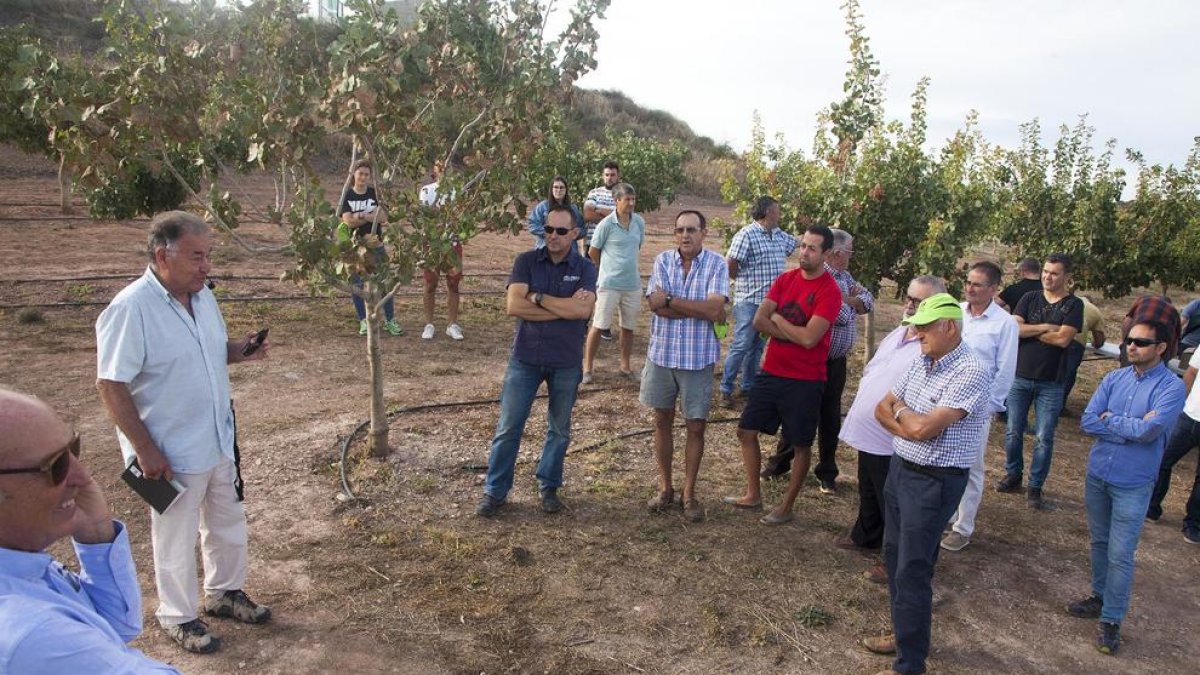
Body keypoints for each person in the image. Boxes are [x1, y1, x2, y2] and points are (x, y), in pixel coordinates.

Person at [96, 211, 273, 654]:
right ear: (163, 255)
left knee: (227, 520)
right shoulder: (130, 309)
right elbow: (110, 383)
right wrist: (144, 449)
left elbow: (213, 352)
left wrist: (240, 351)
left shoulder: (202, 297)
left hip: (215, 437)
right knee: (174, 533)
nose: (206, 266)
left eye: (208, 256)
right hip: (168, 451)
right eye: (197, 256)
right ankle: (177, 615)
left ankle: (224, 592)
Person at [0, 389, 181, 673]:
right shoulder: (34, 637)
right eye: (55, 465)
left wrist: (97, 534)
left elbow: (116, 624)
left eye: (74, 449)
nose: (83, 476)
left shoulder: (18, 564)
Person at [860, 294, 992, 675]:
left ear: (948, 326)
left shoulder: (970, 370)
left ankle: (910, 663)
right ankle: (904, 634)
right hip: (902, 470)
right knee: (894, 557)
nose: (916, 333)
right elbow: (881, 409)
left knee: (912, 569)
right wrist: (907, 420)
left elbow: (921, 427)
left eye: (924, 326)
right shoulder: (922, 361)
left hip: (935, 482)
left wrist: (904, 417)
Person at [1067, 320, 1186, 655]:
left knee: (1120, 554)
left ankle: (1111, 619)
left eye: (1141, 342)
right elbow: (1088, 420)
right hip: (1098, 474)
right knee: (1100, 542)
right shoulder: (1113, 378)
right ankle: (1099, 596)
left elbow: (1151, 432)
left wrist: (1111, 421)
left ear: (1161, 348)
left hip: (1133, 483)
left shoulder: (1171, 388)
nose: (1131, 346)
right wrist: (1129, 425)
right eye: (1129, 340)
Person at [475, 206, 597, 517]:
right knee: (508, 427)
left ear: (574, 234)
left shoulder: (585, 268)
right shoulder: (525, 261)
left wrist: (539, 298)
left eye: (560, 231)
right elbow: (514, 306)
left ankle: (549, 486)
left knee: (559, 429)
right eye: (548, 230)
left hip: (566, 360)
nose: (552, 236)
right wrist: (563, 307)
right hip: (526, 357)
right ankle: (495, 491)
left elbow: (583, 313)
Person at [721, 225, 840, 526]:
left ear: (827, 254)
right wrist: (790, 330)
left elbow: (811, 339)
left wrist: (779, 321)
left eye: (813, 248)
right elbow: (760, 321)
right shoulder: (785, 280)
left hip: (806, 379)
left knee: (800, 444)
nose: (805, 252)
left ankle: (786, 507)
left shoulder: (829, 290)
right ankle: (753, 494)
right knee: (746, 431)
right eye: (802, 246)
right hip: (771, 371)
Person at [835, 276, 944, 584]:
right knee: (868, 486)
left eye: (918, 301)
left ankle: (892, 558)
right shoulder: (901, 331)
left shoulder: (930, 345)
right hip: (872, 430)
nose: (909, 304)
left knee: (893, 501)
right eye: (908, 298)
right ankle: (865, 535)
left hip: (893, 435)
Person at [762, 227, 873, 492]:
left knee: (830, 416)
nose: (851, 257)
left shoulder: (845, 277)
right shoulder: (825, 280)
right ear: (835, 253)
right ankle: (780, 463)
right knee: (798, 414)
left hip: (836, 362)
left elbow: (869, 300)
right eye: (849, 252)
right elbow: (843, 316)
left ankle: (826, 471)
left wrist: (852, 300)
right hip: (812, 359)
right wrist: (850, 302)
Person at [640, 210, 729, 523]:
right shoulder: (663, 260)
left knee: (696, 426)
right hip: (662, 355)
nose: (685, 235)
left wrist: (671, 300)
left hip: (697, 358)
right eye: (679, 230)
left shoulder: (717, 263)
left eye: (691, 229)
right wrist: (698, 309)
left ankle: (689, 493)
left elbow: (716, 309)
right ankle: (666, 488)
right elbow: (654, 305)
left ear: (704, 232)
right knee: (661, 420)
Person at [940, 262, 1019, 552]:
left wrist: (989, 406)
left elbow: (1005, 369)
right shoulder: (956, 312)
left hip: (977, 407)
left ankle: (963, 527)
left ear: (994, 289)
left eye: (978, 284)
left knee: (971, 466)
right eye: (968, 282)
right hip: (945, 400)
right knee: (945, 460)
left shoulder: (1004, 324)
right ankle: (947, 514)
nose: (970, 288)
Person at [998, 253, 1083, 509]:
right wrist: (1047, 327)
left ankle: (1035, 487)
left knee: (1044, 437)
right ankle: (1013, 475)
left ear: (1067, 278)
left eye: (1054, 273)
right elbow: (1015, 329)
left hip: (1051, 382)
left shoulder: (1073, 305)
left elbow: (1063, 340)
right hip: (1020, 375)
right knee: (1013, 431)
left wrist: (1032, 329)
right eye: (1046, 271)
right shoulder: (1029, 297)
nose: (1047, 276)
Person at [719, 196, 796, 409]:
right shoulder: (747, 234)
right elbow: (731, 262)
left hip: (770, 304)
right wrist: (740, 280)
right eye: (777, 210)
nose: (779, 214)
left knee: (757, 345)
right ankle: (725, 388)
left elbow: (797, 244)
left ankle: (748, 386)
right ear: (767, 212)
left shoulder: (779, 235)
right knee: (742, 343)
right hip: (749, 300)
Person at [583, 183, 646, 383]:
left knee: (628, 327)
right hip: (609, 284)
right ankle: (587, 368)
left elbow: (637, 246)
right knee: (599, 325)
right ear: (616, 201)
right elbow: (593, 252)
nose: (631, 203)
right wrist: (606, 269)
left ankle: (625, 366)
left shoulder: (639, 223)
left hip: (632, 285)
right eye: (627, 199)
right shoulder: (606, 225)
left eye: (633, 199)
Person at [337, 159, 402, 337]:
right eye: (360, 174)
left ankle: (390, 320)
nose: (363, 177)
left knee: (385, 283)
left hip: (377, 245)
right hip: (356, 248)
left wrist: (362, 215)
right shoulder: (348, 195)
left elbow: (383, 217)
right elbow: (348, 222)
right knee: (357, 284)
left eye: (367, 174)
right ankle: (363, 321)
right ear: (354, 175)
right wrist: (369, 216)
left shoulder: (374, 194)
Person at [1145, 363, 1200, 543]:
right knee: (1162, 459)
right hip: (1188, 415)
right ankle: (1151, 507)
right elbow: (1192, 372)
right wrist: (1178, 404)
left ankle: (1193, 523)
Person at [418, 161, 465, 341]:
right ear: (434, 170)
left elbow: (461, 216)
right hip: (432, 243)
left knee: (453, 283)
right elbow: (426, 215)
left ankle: (452, 324)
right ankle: (429, 324)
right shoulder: (427, 191)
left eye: (448, 167)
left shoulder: (458, 192)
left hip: (452, 243)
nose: (444, 170)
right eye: (440, 167)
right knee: (430, 284)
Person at [1061, 294, 1106, 412]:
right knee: (1069, 374)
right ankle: (1060, 406)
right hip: (1076, 342)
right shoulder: (1095, 310)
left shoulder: (1066, 301)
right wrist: (1094, 344)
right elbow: (1099, 340)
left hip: (1056, 336)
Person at [1118, 294, 1180, 367]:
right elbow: (1175, 342)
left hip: (1136, 342)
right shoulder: (1174, 312)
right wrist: (1168, 356)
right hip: (1160, 350)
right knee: (1154, 375)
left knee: (1127, 373)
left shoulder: (1142, 301)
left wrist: (1126, 342)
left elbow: (1127, 323)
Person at [528, 175, 584, 250]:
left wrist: (568, 234)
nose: (558, 190)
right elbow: (532, 225)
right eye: (556, 187)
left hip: (568, 253)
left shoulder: (573, 209)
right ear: (551, 189)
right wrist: (549, 233)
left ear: (566, 190)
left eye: (561, 187)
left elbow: (582, 228)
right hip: (545, 250)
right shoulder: (542, 207)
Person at [582, 160, 620, 260]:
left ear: (618, 176)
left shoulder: (623, 195)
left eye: (612, 175)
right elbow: (588, 215)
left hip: (613, 244)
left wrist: (599, 209)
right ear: (603, 176)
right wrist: (613, 214)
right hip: (593, 243)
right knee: (591, 275)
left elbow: (622, 217)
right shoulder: (594, 193)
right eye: (607, 175)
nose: (609, 178)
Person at [1177, 297, 1200, 368]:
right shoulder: (1196, 304)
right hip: (1190, 346)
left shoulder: (1196, 304)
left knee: (1182, 371)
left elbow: (1179, 324)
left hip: (1187, 345)